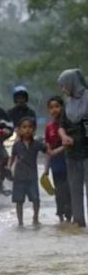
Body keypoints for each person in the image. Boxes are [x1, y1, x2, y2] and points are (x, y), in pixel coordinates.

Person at [57, 68, 88, 227]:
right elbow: (61, 125)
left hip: (87, 150)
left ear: (72, 83)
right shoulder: (68, 104)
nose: (63, 89)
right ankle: (79, 221)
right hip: (72, 153)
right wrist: (64, 136)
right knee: (75, 188)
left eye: (65, 85)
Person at [10, 117, 46, 226]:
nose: (27, 130)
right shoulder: (16, 145)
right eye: (24, 127)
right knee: (19, 201)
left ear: (34, 129)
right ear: (19, 130)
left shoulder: (37, 144)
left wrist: (62, 147)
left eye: (30, 127)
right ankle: (20, 222)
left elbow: (49, 152)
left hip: (32, 177)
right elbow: (12, 159)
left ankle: (35, 218)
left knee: (36, 199)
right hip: (19, 177)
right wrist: (8, 170)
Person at [43, 96, 72, 222]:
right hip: (56, 165)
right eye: (51, 107)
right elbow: (48, 150)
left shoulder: (69, 124)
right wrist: (46, 169)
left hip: (70, 163)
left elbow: (71, 143)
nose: (54, 110)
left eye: (57, 106)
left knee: (69, 190)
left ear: (63, 107)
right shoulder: (49, 127)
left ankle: (70, 216)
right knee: (59, 191)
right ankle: (60, 217)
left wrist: (57, 151)